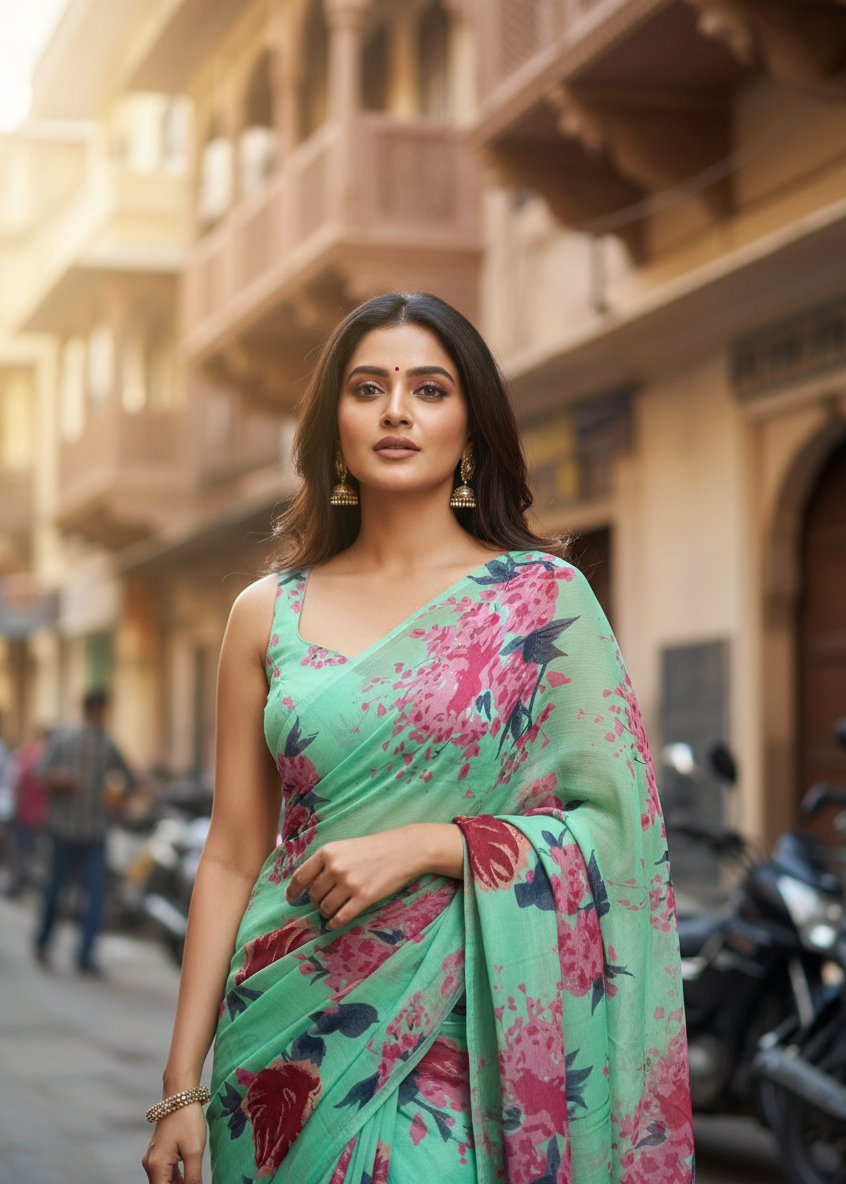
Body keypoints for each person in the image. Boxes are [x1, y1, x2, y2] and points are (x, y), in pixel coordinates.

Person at [143, 293, 694, 1184]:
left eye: (429, 389)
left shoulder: (541, 603)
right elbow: (233, 855)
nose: (397, 410)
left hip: (462, 1033)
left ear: (471, 428)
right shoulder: (265, 614)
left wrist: (432, 847)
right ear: (335, 425)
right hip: (280, 1036)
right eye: (369, 388)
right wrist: (181, 1089)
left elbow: (621, 831)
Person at [35, 688, 133, 974]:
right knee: (55, 890)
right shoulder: (65, 740)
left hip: (93, 832)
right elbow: (42, 774)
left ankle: (85, 955)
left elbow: (127, 777)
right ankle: (43, 941)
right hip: (64, 829)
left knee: (94, 894)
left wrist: (117, 798)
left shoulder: (106, 744)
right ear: (92, 710)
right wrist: (65, 780)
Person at [5, 726, 50, 897]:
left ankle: (17, 884)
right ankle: (18, 884)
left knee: (21, 851)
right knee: (24, 851)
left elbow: (18, 780)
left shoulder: (32, 755)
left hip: (28, 812)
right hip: (32, 813)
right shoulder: (39, 757)